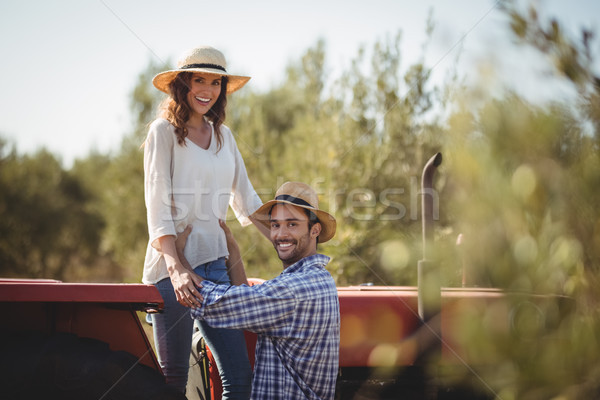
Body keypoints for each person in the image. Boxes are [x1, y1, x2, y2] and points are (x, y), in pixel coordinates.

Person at [142, 45, 268, 397]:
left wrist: (291, 242)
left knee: (240, 380)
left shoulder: (224, 137)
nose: (208, 90)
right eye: (200, 80)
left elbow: (248, 198)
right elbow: (155, 202)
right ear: (183, 84)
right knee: (173, 382)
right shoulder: (162, 132)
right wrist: (176, 268)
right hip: (173, 270)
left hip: (215, 267)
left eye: (216, 83)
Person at [179, 182, 340, 400]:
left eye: (292, 224)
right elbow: (251, 303)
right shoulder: (318, 279)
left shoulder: (296, 289)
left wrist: (179, 265)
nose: (281, 234)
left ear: (315, 230)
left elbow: (222, 304)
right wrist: (233, 252)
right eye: (275, 225)